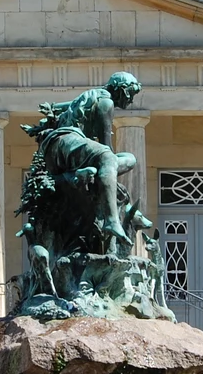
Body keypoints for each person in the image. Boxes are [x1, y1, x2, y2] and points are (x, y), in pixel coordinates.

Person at [24, 72, 142, 246]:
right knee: (110, 159)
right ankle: (112, 220)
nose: (131, 100)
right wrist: (107, 169)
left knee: (128, 158)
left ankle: (80, 175)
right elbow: (106, 146)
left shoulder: (90, 97)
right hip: (67, 142)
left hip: (55, 150)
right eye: (130, 94)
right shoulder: (106, 103)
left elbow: (59, 107)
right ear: (121, 90)